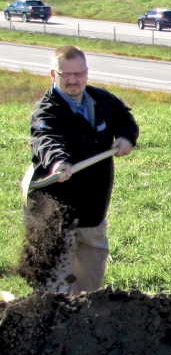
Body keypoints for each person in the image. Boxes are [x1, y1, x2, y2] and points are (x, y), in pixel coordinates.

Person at [27, 45, 139, 293]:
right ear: (53, 75)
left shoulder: (102, 100)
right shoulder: (46, 111)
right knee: (55, 288)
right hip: (56, 212)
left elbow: (125, 119)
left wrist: (126, 138)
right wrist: (58, 161)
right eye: (65, 74)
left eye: (78, 74)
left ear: (87, 73)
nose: (73, 80)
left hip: (92, 209)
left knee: (88, 286)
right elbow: (45, 138)